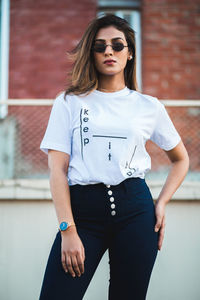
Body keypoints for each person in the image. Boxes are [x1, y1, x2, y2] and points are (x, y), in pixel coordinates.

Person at [39, 13, 189, 300]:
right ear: (91, 54)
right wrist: (67, 230)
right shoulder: (69, 102)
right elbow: (57, 170)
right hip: (82, 215)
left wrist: (162, 202)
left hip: (136, 211)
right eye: (100, 46)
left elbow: (181, 159)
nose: (109, 51)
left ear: (129, 53)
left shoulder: (148, 106)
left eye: (118, 45)